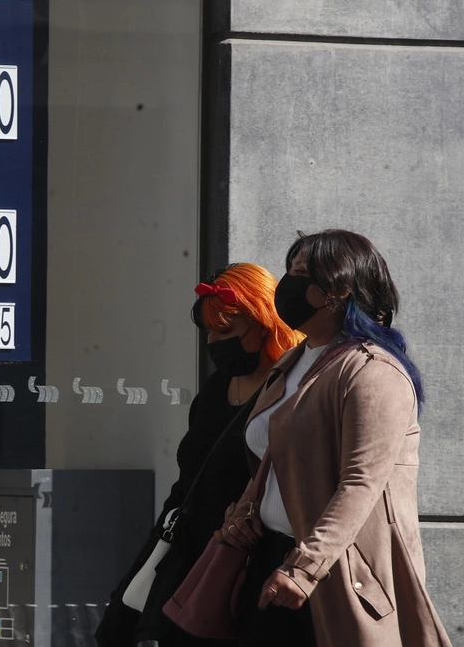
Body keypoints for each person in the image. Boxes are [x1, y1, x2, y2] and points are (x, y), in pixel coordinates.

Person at [218, 230, 452, 647]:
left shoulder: (372, 371)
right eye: (289, 270)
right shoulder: (294, 360)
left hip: (333, 572)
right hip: (272, 560)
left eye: (303, 273)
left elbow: (361, 483)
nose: (288, 283)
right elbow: (274, 455)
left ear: (340, 288)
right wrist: (246, 509)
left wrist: (305, 567)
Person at [96, 263, 301, 647]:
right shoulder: (214, 389)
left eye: (225, 331)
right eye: (207, 332)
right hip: (187, 554)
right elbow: (187, 480)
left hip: (247, 566)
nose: (213, 343)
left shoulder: (290, 389)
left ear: (263, 321)